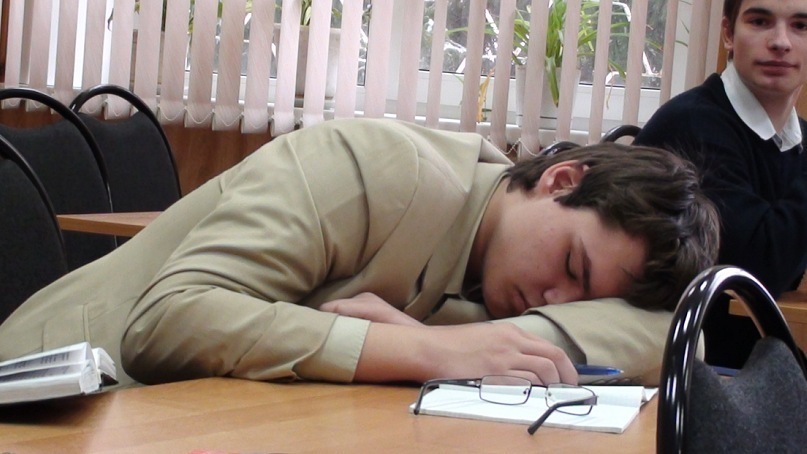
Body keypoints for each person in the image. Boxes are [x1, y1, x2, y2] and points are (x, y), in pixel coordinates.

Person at [0, 118, 718, 388]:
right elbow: (166, 322)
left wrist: (476, 341)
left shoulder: (497, 272)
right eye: (571, 268)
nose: (557, 301)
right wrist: (427, 351)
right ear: (561, 180)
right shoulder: (381, 167)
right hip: (51, 396)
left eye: (585, 302)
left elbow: (674, 336)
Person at [635, 0, 807, 367]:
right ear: (728, 33)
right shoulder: (693, 125)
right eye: (760, 21)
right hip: (681, 365)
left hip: (752, 355)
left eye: (801, 26)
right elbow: (756, 274)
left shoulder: (797, 140)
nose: (781, 42)